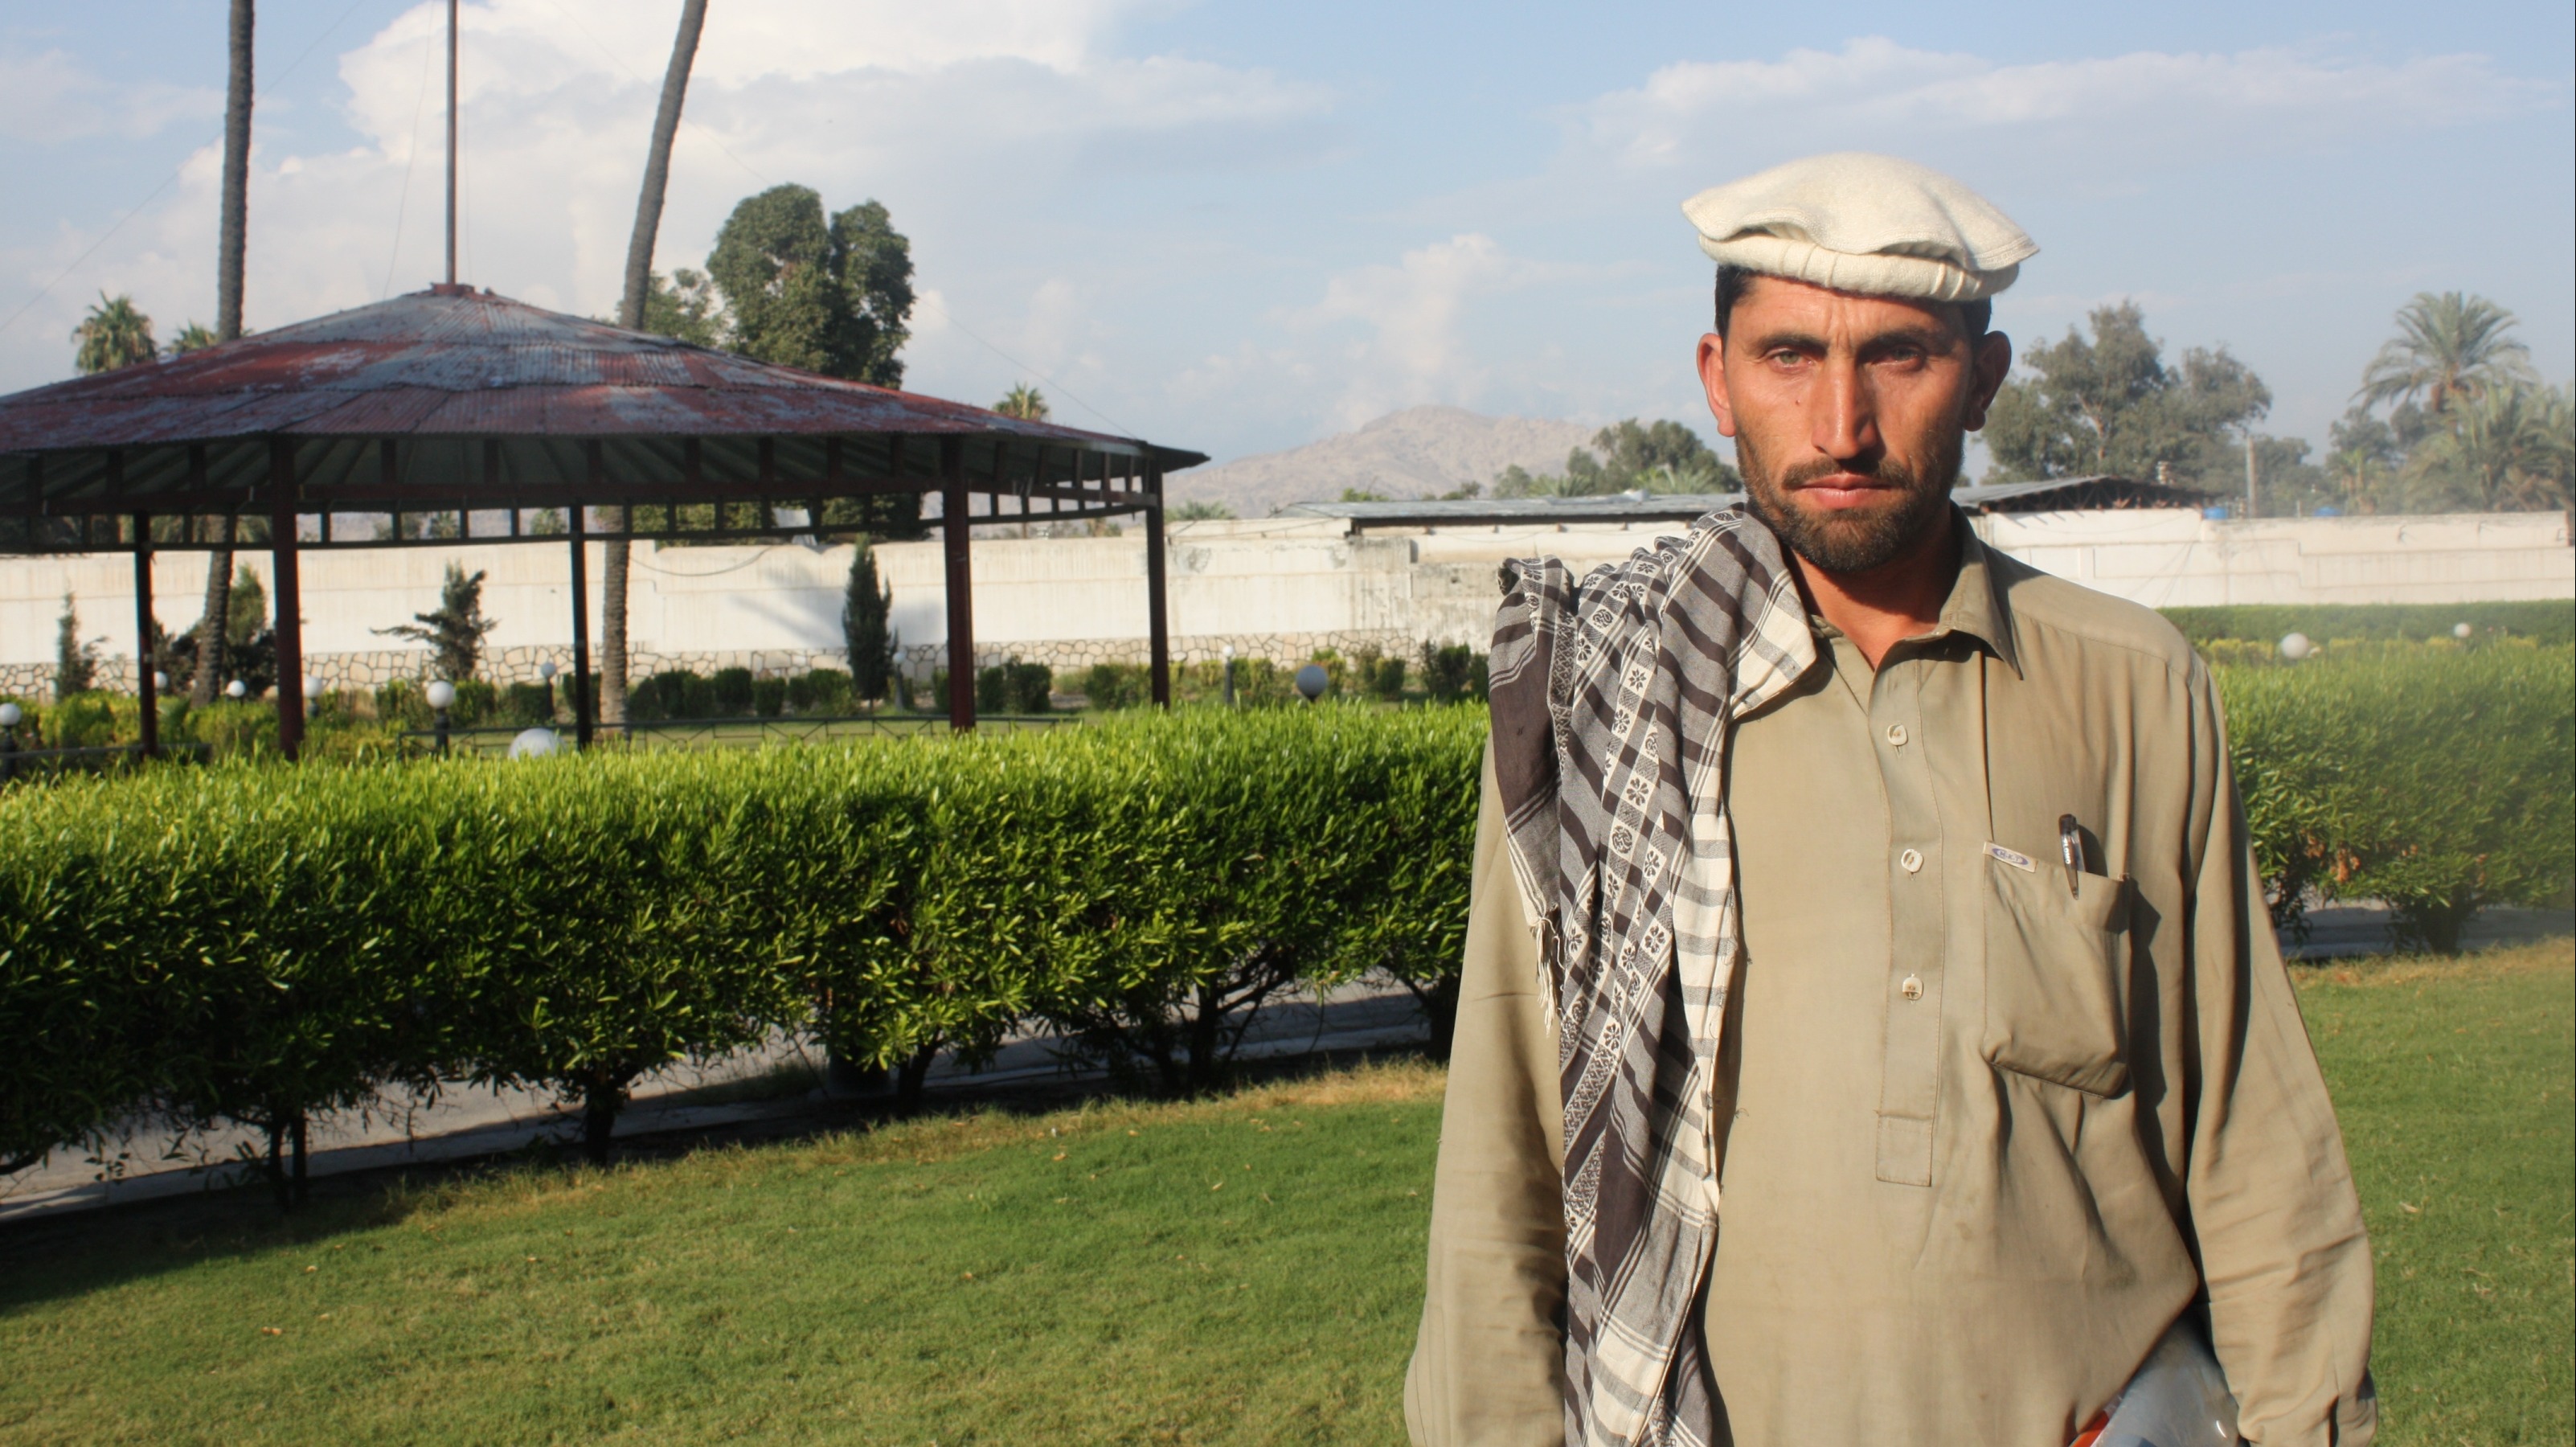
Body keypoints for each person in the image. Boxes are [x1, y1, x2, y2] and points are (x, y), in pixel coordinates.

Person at [1403, 153, 2375, 1447]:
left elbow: (2252, 1139)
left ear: (1981, 380)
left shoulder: (2132, 689)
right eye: (1789, 356)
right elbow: (1507, 1148)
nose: (1839, 423)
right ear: (1717, 380)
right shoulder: (1599, 700)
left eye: (1900, 357)